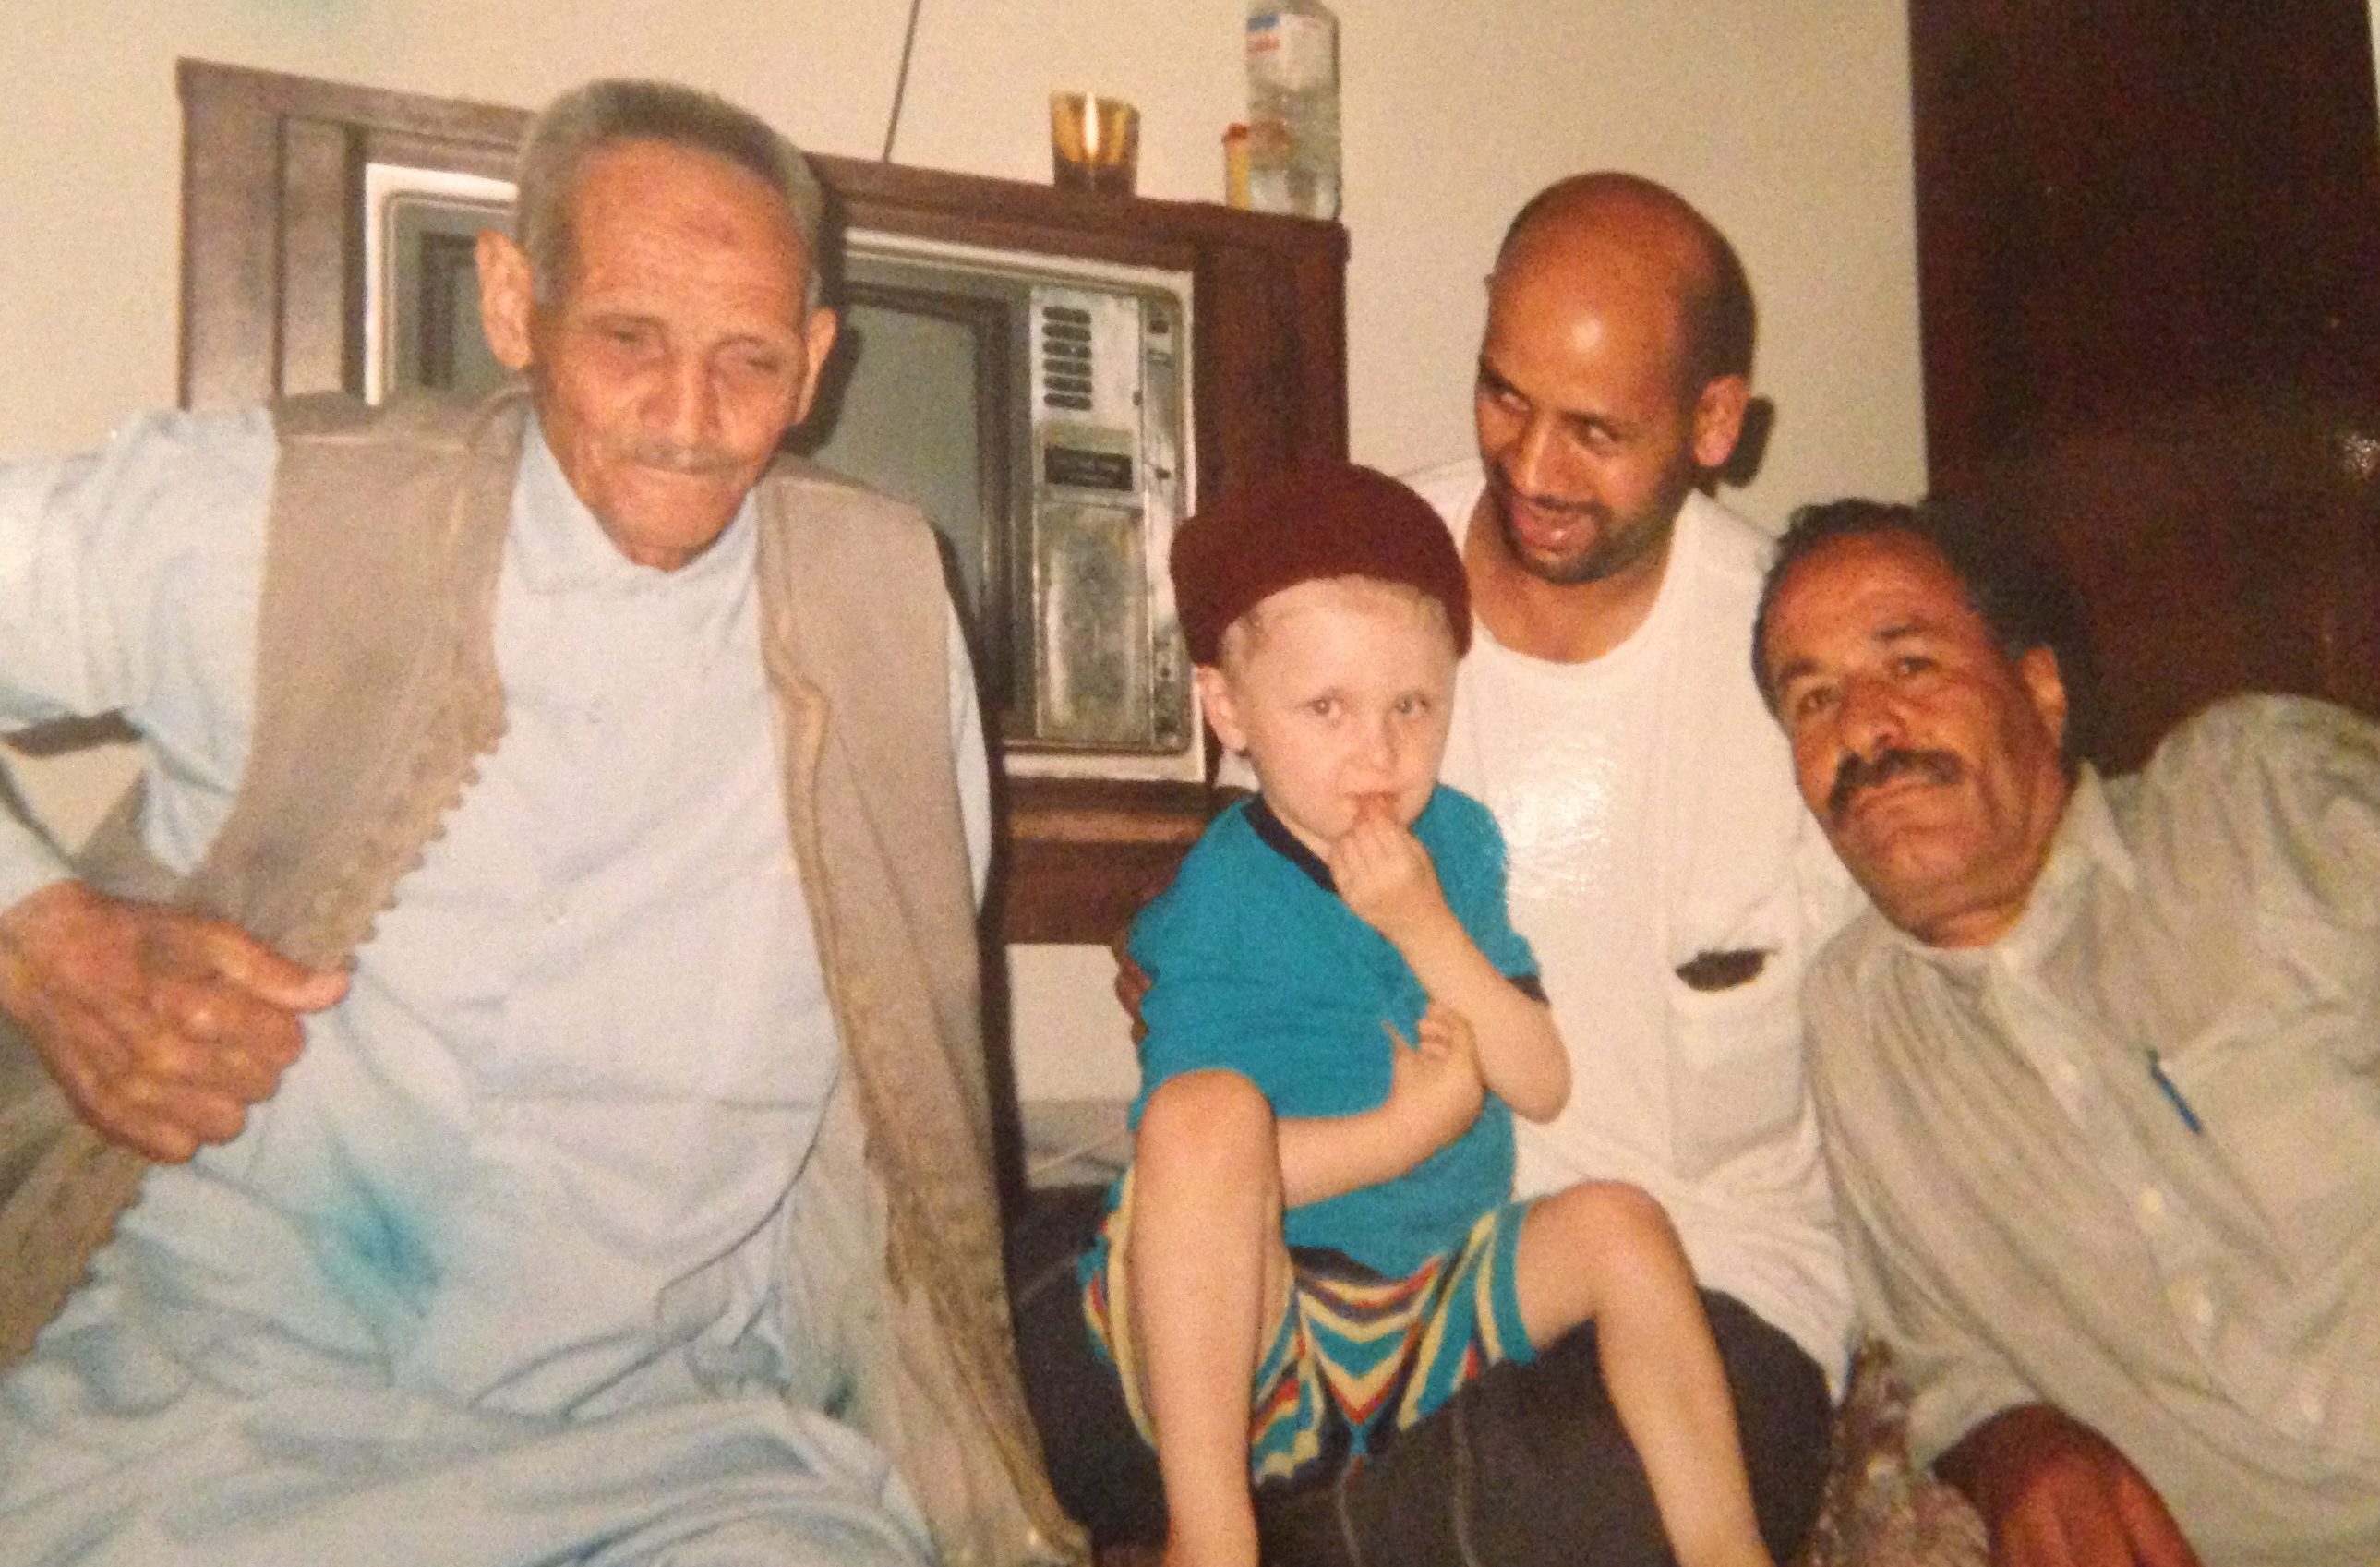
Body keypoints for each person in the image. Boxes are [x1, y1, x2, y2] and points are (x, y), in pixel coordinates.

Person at [0, 79, 1076, 1566]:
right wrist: (37, 933)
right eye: (630, 340)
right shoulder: (278, 517)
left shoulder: (882, 610)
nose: (688, 422)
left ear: (817, 362)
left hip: (681, 1460)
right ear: (515, 302)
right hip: (201, 1428)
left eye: (749, 361)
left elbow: (907, 1106)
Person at [1085, 462, 1775, 1567]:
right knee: (1202, 1112)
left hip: (1428, 1301)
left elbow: (1541, 1079)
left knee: (1623, 1224)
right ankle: (1209, 1536)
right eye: (1327, 708)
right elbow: (1192, 1171)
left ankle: (1728, 1552)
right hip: (1250, 1322)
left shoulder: (1455, 843)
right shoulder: (1218, 899)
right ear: (1229, 709)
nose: (1380, 750)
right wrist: (1407, 1129)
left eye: (1412, 704)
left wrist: (1425, 926)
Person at [1752, 497, 2380, 1567]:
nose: (1861, 729)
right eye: (1812, 700)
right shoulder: (1860, 1024)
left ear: (2039, 691)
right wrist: (2012, 1444)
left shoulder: (2252, 799)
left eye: (1908, 664)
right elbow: (1942, 1358)